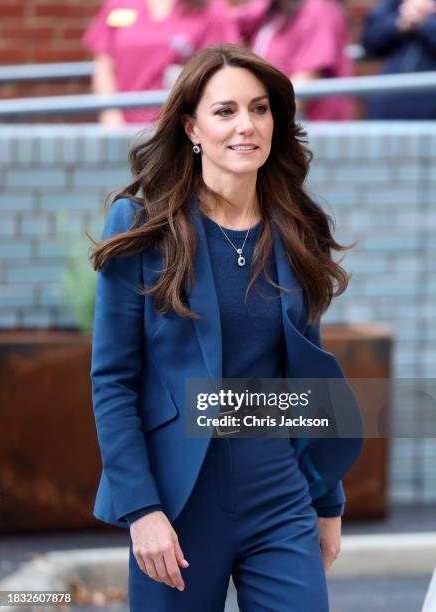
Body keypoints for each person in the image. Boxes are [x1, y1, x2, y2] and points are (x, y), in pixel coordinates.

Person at [89, 44, 363, 611]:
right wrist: (141, 511)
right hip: (180, 503)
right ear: (191, 127)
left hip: (280, 497)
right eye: (225, 111)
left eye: (260, 109)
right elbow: (113, 380)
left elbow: (306, 378)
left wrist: (326, 501)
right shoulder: (142, 226)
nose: (247, 125)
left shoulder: (295, 228)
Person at [81, 0, 240, 125]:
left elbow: (221, 72)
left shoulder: (212, 9)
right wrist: (111, 118)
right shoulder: (119, 4)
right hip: (121, 127)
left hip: (179, 130)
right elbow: (104, 67)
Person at [230, 0, 355, 120]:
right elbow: (225, 21)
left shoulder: (320, 11)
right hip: (267, 116)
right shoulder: (271, 9)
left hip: (306, 129)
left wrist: (264, 117)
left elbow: (304, 83)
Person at [361, 0, 436, 119]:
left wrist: (424, 21)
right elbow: (369, 41)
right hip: (389, 103)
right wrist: (400, 23)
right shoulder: (396, 4)